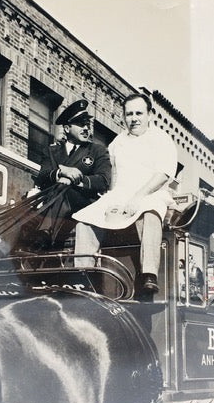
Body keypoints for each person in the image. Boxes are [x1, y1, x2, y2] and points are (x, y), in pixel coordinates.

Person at [73, 92, 178, 293]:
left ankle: (149, 274)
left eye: (139, 113)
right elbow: (112, 173)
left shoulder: (161, 138)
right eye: (129, 114)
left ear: (150, 115)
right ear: (124, 116)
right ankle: (83, 274)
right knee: (84, 220)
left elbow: (163, 174)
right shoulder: (118, 142)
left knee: (151, 212)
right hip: (121, 194)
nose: (134, 118)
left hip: (150, 192)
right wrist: (110, 198)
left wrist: (138, 198)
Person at [29, 99, 111, 250]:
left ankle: (44, 233)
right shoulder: (52, 151)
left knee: (63, 187)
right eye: (81, 124)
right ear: (67, 128)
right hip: (52, 201)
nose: (86, 128)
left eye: (87, 124)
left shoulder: (97, 150)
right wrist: (61, 172)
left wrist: (75, 180)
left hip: (83, 202)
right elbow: (42, 176)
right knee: (26, 201)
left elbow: (103, 180)